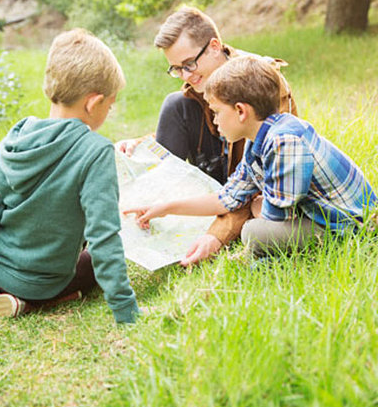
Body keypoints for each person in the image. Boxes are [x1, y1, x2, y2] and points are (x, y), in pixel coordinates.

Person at [126, 56, 377, 257]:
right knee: (256, 226)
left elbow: (276, 218)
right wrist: (166, 208)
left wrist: (260, 205)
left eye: (215, 112)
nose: (214, 121)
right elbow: (227, 199)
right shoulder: (256, 142)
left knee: (253, 233)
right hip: (321, 214)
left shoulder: (284, 142)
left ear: (240, 111)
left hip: (349, 224)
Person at [0, 28, 139, 322]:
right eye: (110, 104)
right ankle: (28, 303)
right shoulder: (95, 150)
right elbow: (103, 237)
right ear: (93, 102)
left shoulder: (14, 138)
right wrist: (126, 311)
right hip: (41, 283)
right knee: (91, 264)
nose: (109, 110)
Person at [122, 6, 298, 265]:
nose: (185, 75)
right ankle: (151, 214)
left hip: (252, 185)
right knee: (175, 105)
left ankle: (207, 222)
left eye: (189, 64)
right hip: (222, 179)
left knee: (259, 209)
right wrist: (141, 145)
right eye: (176, 69)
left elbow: (260, 180)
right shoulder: (197, 86)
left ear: (215, 46)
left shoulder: (262, 82)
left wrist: (217, 236)